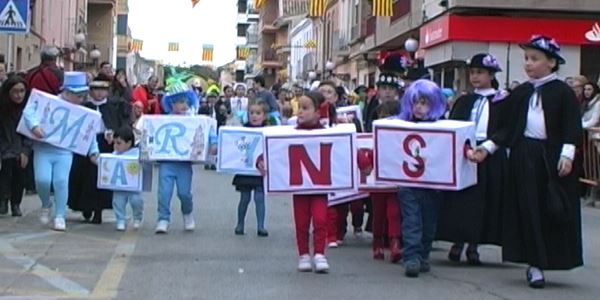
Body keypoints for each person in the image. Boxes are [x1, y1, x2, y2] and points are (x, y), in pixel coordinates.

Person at [503, 35, 583, 288]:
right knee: (528, 208)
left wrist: (567, 154)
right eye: (526, 59)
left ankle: (553, 256)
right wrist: (493, 147)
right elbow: (508, 126)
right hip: (524, 153)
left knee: (551, 208)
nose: (528, 64)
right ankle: (534, 263)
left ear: (551, 62)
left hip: (551, 156)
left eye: (534, 59)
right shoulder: (522, 92)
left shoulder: (562, 92)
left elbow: (572, 125)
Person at [436, 53, 510, 265]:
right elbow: (454, 125)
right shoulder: (465, 100)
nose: (475, 77)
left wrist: (488, 147)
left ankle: (474, 245)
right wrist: (463, 148)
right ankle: (457, 241)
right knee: (461, 200)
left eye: (480, 73)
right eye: (473, 73)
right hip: (466, 154)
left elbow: (505, 128)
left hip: (489, 154)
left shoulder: (501, 100)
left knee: (484, 201)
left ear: (491, 74)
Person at [258, 91, 334, 273]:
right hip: (299, 188)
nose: (300, 112)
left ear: (317, 113)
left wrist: (362, 163)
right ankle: (303, 255)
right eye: (299, 108)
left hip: (319, 188)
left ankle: (319, 254)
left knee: (320, 219)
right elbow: (274, 149)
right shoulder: (290, 133)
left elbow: (342, 149)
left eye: (306, 108)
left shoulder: (329, 133)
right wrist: (261, 161)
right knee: (301, 222)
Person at [22, 72, 100, 231]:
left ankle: (60, 215)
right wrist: (34, 126)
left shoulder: (82, 111)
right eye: (78, 95)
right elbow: (29, 110)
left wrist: (93, 151)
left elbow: (89, 133)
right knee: (42, 180)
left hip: (64, 151)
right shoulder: (49, 102)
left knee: (61, 181)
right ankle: (46, 204)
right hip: (43, 149)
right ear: (67, 92)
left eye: (82, 95)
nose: (81, 99)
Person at [396, 79, 446, 277]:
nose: (418, 107)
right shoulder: (400, 125)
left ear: (434, 104)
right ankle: (411, 257)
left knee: (429, 222)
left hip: (433, 183)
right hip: (407, 183)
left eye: (424, 102)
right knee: (411, 220)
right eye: (415, 102)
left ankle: (423, 254)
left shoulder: (442, 126)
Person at [154, 80, 217, 233]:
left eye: (184, 101)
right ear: (171, 104)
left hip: (184, 163)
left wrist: (213, 142)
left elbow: (208, 127)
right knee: (164, 193)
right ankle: (163, 219)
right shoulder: (163, 120)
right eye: (177, 101)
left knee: (184, 193)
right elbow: (149, 129)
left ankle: (187, 213)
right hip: (167, 162)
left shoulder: (194, 120)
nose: (181, 105)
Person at [68, 74, 131, 224]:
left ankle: (98, 210)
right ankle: (85, 206)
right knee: (83, 177)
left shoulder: (113, 107)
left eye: (102, 90)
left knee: (100, 178)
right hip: (84, 144)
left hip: (105, 144)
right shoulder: (83, 107)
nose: (99, 93)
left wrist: (114, 135)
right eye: (95, 90)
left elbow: (120, 125)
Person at [358, 100, 402, 263]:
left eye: (391, 117)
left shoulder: (400, 139)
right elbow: (367, 160)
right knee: (378, 215)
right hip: (377, 184)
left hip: (394, 184)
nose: (387, 121)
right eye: (383, 117)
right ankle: (377, 243)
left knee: (394, 213)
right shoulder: (373, 139)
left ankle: (394, 243)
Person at [233, 100, 269, 237]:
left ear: (264, 116)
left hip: (260, 171)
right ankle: (240, 224)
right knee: (244, 199)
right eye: (251, 113)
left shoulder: (268, 131)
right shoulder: (243, 130)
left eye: (258, 113)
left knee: (260, 199)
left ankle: (261, 226)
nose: (254, 116)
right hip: (245, 172)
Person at [0, 75, 31, 216]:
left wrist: (25, 150)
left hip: (20, 148)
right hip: (4, 148)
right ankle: (3, 201)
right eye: (15, 91)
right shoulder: (3, 108)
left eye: (22, 91)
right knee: (4, 175)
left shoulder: (28, 109)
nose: (19, 95)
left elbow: (31, 133)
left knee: (19, 176)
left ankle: (16, 203)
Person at [111, 126, 144, 231]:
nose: (115, 146)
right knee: (118, 202)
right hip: (119, 185)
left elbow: (145, 160)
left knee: (136, 201)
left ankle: (137, 218)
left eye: (119, 143)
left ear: (129, 143)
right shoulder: (114, 154)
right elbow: (107, 164)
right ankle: (120, 219)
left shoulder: (137, 153)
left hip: (133, 186)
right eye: (114, 143)